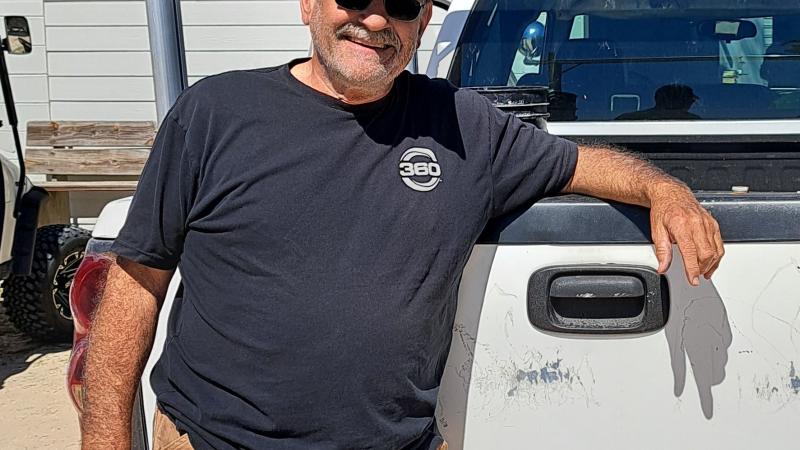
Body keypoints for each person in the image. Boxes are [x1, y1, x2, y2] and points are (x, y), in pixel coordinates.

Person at [80, 0, 724, 449]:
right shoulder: (215, 113)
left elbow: (580, 162)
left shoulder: (464, 125)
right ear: (307, 5)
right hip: (213, 440)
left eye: (402, 4)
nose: (375, 19)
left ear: (423, 24)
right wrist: (106, 439)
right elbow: (136, 284)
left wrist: (663, 190)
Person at [616, 84, 701, 121]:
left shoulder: (624, 119)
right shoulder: (695, 122)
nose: (692, 103)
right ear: (684, 102)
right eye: (691, 101)